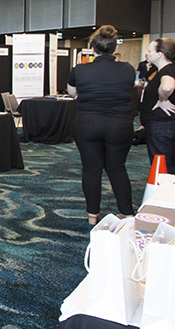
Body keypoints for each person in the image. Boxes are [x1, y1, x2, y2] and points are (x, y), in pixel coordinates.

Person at [66, 26, 135, 225]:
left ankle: (92, 215)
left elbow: (72, 93)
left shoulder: (80, 69)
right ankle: (127, 212)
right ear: (114, 48)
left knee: (91, 169)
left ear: (92, 48)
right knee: (117, 168)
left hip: (88, 124)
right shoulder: (128, 68)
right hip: (120, 125)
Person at [140, 38, 175, 175]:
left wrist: (162, 99)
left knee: (163, 167)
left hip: (163, 127)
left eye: (150, 50)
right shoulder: (174, 69)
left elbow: (167, 86)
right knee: (167, 165)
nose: (147, 54)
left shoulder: (168, 71)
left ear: (160, 54)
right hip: (171, 126)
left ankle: (165, 194)